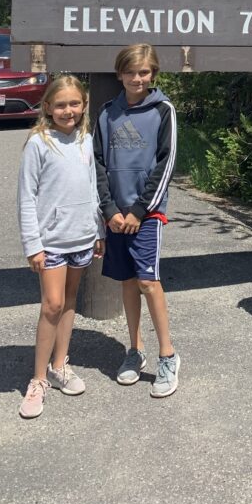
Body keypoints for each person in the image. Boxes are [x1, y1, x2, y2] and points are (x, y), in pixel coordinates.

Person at [94, 43, 180, 398]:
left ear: (153, 74)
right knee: (127, 282)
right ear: (119, 74)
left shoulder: (163, 110)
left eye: (143, 72)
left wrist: (138, 212)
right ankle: (135, 350)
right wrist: (111, 211)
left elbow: (166, 163)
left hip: (147, 214)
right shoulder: (105, 113)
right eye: (130, 72)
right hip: (115, 216)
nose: (136, 78)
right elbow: (97, 164)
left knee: (148, 281)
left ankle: (168, 355)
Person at [17, 75, 104, 419]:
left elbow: (93, 187)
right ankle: (38, 379)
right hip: (50, 241)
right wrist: (32, 244)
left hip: (81, 237)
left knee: (69, 302)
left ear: (83, 106)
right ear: (48, 107)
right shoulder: (39, 143)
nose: (68, 111)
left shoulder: (86, 139)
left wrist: (99, 231)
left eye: (75, 104)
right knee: (51, 304)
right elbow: (26, 198)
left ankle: (59, 364)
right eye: (61, 104)